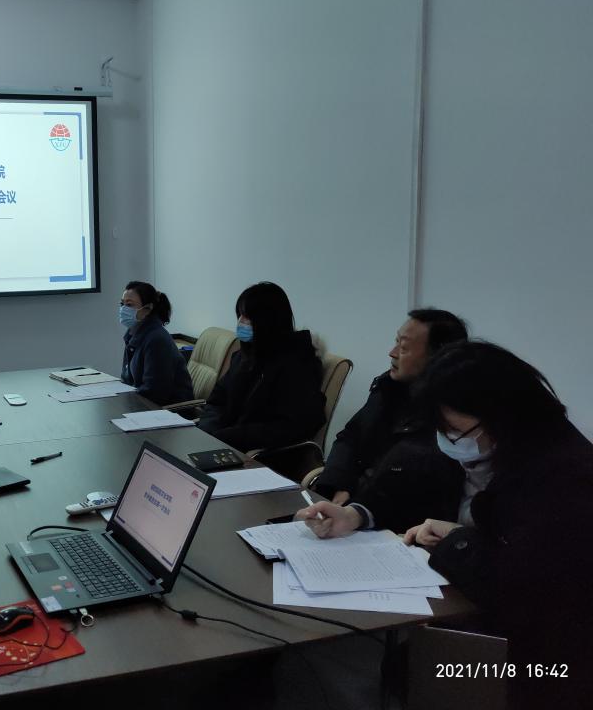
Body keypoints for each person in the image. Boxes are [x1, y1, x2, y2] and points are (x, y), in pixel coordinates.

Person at [298, 342, 592, 708]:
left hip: (545, 663)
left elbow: (524, 588)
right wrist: (356, 514)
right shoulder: (480, 443)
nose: (445, 440)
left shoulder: (565, 480)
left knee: (390, 667)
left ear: (501, 415)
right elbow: (410, 478)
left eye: (452, 430)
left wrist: (458, 542)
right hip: (463, 616)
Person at [311, 309, 468, 504]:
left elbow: (409, 480)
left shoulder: (453, 415)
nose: (392, 353)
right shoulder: (388, 387)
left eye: (404, 347)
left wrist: (357, 502)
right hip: (351, 502)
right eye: (396, 342)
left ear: (437, 357)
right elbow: (350, 437)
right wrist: (338, 484)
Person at [197, 282, 324, 451]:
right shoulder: (244, 356)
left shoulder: (298, 365)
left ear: (269, 321)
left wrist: (226, 437)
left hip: (262, 456)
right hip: (224, 446)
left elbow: (289, 427)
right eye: (240, 315)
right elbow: (217, 401)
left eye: (247, 317)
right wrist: (208, 432)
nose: (241, 322)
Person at [118, 281, 194, 406]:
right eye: (122, 304)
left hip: (170, 411)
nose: (123, 309)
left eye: (129, 304)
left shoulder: (156, 339)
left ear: (148, 308)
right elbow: (127, 380)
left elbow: (154, 392)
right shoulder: (132, 334)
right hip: (142, 404)